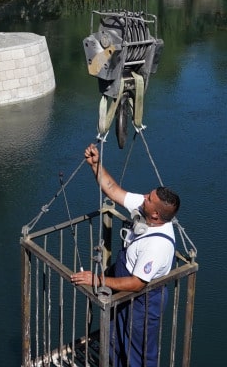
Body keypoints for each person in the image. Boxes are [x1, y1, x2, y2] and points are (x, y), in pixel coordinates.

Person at [70, 144, 180, 367]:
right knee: (115, 340)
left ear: (157, 214)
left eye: (149, 198)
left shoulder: (157, 246)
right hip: (126, 284)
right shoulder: (145, 209)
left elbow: (137, 283)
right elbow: (113, 189)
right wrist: (96, 165)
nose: (144, 198)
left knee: (137, 352)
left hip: (143, 300)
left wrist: (97, 280)